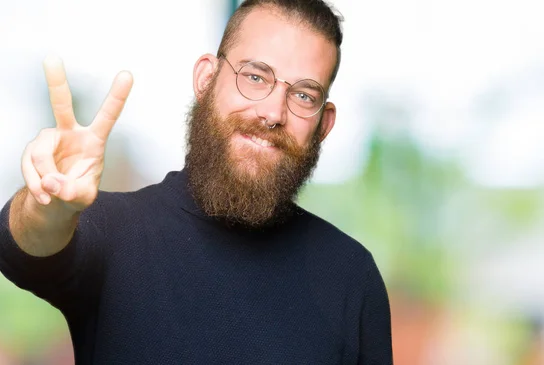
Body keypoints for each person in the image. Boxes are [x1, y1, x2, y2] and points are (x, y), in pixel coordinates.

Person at [0, 0, 393, 363]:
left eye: (304, 96)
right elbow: (20, 248)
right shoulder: (117, 234)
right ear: (206, 79)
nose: (273, 112)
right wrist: (48, 201)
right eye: (256, 77)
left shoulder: (351, 278)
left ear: (323, 125)